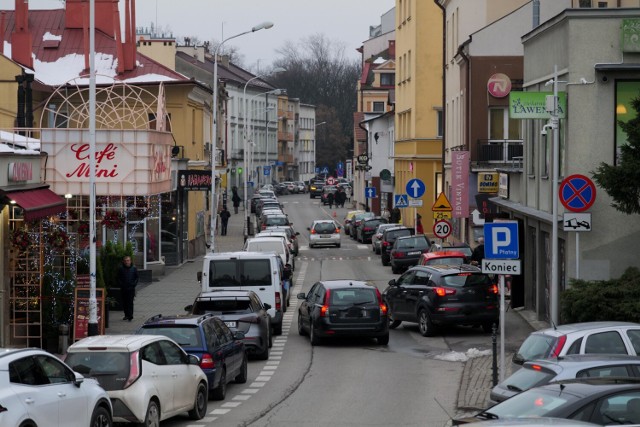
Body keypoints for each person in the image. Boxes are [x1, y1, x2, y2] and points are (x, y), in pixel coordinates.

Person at [117, 255, 139, 321]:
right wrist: (121, 284)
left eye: (128, 260)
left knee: (130, 302)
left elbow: (137, 277)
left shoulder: (134, 268)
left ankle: (130, 315)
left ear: (130, 261)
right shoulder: (121, 269)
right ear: (123, 262)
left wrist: (134, 284)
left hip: (131, 288)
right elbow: (118, 278)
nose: (127, 262)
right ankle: (126, 315)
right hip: (123, 288)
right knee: (124, 302)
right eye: (125, 261)